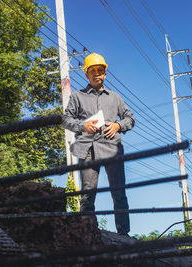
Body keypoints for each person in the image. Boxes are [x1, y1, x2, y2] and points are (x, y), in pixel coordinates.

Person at [62, 53, 135, 236]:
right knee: (88, 194)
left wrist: (118, 125)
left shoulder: (115, 98)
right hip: (88, 150)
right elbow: (66, 120)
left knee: (119, 193)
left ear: (105, 74)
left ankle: (123, 234)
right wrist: (82, 125)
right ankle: (86, 234)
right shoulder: (77, 97)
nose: (97, 74)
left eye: (100, 71)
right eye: (92, 71)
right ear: (86, 74)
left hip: (113, 149)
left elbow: (130, 118)